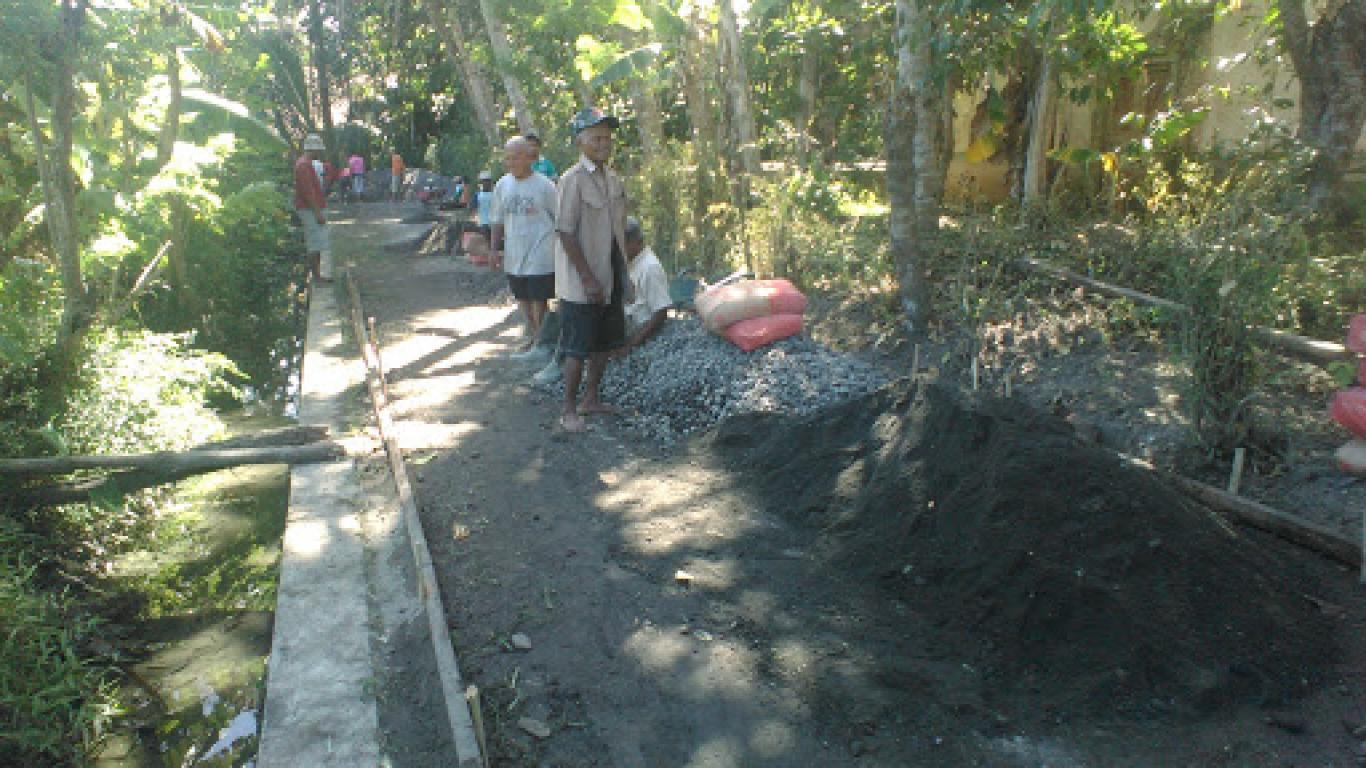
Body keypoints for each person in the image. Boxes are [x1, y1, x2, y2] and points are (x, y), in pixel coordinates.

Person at [553, 107, 632, 433]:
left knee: (603, 344)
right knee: (577, 348)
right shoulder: (572, 180)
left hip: (609, 273)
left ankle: (591, 399)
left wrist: (618, 273)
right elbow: (565, 231)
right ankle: (568, 410)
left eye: (607, 138)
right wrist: (587, 277)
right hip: (581, 280)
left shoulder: (611, 178)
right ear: (579, 142)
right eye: (596, 138)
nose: (603, 144)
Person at [491, 137, 559, 352]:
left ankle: (541, 340)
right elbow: (497, 219)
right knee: (522, 297)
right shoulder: (502, 185)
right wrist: (494, 249)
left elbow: (560, 218)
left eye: (516, 157)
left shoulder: (545, 186)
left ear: (529, 158)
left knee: (539, 297)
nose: (511, 163)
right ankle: (534, 335)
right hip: (514, 251)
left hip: (541, 250)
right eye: (508, 158)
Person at [617, 216, 672, 355]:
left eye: (622, 244)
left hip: (641, 328)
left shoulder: (649, 268)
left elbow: (660, 312)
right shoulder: (631, 262)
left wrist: (632, 344)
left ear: (636, 242)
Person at [293, 134, 331, 282]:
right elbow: (308, 193)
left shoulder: (305, 164)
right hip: (309, 210)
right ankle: (316, 276)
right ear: (314, 149)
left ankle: (318, 275)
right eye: (319, 150)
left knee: (318, 242)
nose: (320, 153)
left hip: (311, 208)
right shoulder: (303, 166)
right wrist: (317, 213)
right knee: (314, 243)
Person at [474, 170, 495, 239]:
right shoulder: (477, 195)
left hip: (489, 224)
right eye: (484, 181)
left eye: (487, 181)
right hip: (488, 224)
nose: (485, 183)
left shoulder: (496, 194)